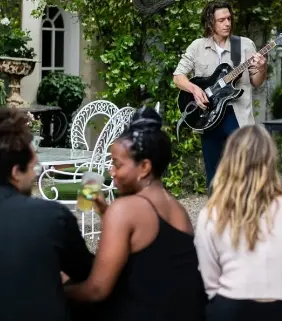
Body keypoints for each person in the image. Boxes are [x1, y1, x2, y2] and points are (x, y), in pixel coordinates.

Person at [66, 107, 206, 321]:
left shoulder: (125, 209)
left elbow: (97, 290)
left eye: (117, 164)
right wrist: (106, 212)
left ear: (144, 167)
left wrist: (51, 293)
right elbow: (148, 257)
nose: (111, 172)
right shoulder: (177, 209)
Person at [195, 124, 282, 321]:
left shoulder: (212, 212)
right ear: (270, 161)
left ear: (229, 161)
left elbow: (209, 282)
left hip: (229, 308)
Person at [0, 108, 93, 321]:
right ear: (16, 172)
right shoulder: (51, 216)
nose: (34, 175)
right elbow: (89, 276)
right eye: (34, 168)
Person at [173, 0, 267, 186]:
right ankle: (215, 212)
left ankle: (244, 211)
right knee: (213, 174)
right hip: (210, 116)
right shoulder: (197, 47)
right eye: (221, 20)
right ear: (210, 23)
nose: (227, 23)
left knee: (244, 171)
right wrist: (194, 89)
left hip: (238, 116)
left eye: (229, 19)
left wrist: (262, 68)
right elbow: (178, 76)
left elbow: (256, 82)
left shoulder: (244, 45)